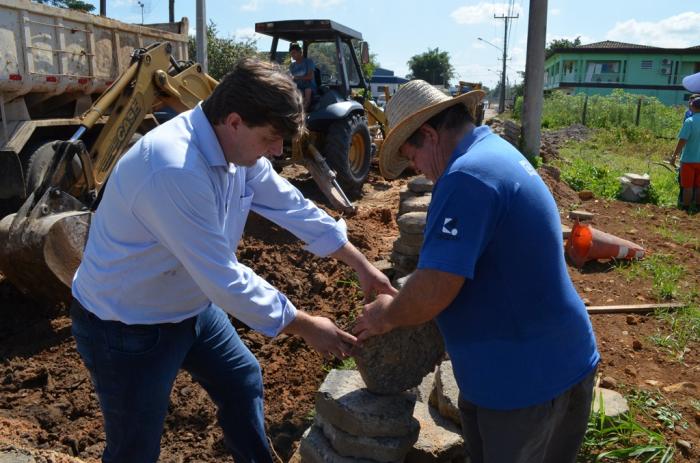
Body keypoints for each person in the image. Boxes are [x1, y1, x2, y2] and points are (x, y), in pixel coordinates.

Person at [70, 58, 396, 463]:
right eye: (271, 138)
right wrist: (307, 325)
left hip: (190, 306)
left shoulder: (237, 152)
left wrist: (361, 265)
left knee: (242, 380)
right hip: (127, 325)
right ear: (236, 121)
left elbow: (292, 206)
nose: (277, 151)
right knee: (135, 448)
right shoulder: (174, 168)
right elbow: (224, 278)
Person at [354, 80, 600, 463]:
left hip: (526, 385)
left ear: (429, 135)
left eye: (410, 155)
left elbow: (435, 288)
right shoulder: (494, 153)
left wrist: (385, 314)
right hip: (548, 364)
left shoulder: (466, 178)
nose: (414, 169)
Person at [671, 97, 700, 209]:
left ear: (693, 107)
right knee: (699, 186)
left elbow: (682, 140)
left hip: (688, 159)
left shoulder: (690, 121)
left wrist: (674, 156)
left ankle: (686, 208)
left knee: (687, 186)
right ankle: (697, 207)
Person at [289, 43, 316, 111]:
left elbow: (310, 77)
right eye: (291, 54)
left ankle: (304, 111)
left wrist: (296, 77)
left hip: (309, 86)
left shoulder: (308, 62)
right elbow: (291, 78)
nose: (292, 55)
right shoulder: (292, 65)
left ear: (300, 52)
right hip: (297, 87)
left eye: (294, 53)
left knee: (307, 89)